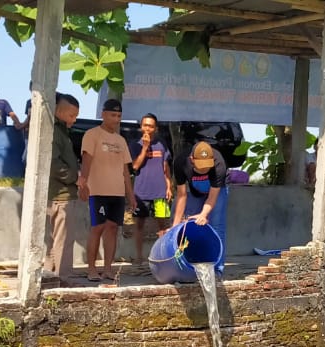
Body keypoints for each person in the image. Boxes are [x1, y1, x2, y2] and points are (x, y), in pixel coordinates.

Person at [79, 98, 135, 282]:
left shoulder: (121, 140)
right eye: (112, 115)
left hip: (117, 193)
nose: (116, 119)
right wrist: (83, 183)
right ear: (103, 114)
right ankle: (92, 269)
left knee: (112, 229)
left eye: (119, 115)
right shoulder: (92, 134)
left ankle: (108, 269)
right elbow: (86, 161)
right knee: (98, 227)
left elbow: (126, 171)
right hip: (98, 191)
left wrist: (131, 195)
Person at [173, 141, 230, 275]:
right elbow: (181, 196)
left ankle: (217, 269)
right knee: (189, 225)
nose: (204, 170)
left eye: (207, 167)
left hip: (217, 191)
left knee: (216, 226)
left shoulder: (219, 164)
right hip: (195, 192)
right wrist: (175, 226)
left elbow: (212, 198)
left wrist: (203, 214)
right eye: (200, 167)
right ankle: (191, 264)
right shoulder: (181, 162)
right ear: (192, 159)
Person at [129, 113, 173, 270]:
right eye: (145, 125)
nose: (148, 128)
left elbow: (165, 168)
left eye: (151, 126)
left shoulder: (162, 144)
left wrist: (169, 186)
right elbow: (134, 166)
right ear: (141, 126)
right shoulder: (135, 144)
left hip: (160, 193)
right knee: (139, 225)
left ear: (156, 128)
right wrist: (145, 147)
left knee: (162, 225)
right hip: (141, 193)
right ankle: (139, 258)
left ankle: (163, 256)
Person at [45, 93, 81, 283]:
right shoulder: (53, 132)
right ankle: (63, 278)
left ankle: (51, 275)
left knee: (54, 240)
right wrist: (75, 178)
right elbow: (53, 164)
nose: (74, 120)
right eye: (71, 115)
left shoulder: (61, 132)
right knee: (63, 240)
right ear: (59, 111)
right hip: (61, 194)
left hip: (60, 192)